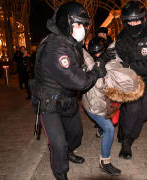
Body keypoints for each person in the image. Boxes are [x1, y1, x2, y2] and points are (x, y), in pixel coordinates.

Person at [31, 2, 107, 180]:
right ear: (66, 23)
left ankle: (68, 152)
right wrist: (95, 73)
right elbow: (78, 81)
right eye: (78, 24)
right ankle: (61, 172)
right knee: (58, 144)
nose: (83, 29)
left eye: (84, 25)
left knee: (76, 135)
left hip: (67, 99)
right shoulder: (55, 48)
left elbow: (80, 68)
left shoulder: (72, 43)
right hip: (49, 102)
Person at [83, 37, 145, 175]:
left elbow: (117, 48)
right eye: (95, 53)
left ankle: (100, 131)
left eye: (101, 53)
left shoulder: (112, 59)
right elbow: (98, 83)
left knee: (112, 119)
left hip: (108, 100)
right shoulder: (90, 65)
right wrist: (101, 65)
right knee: (110, 129)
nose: (98, 55)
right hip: (94, 104)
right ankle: (105, 162)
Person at [115, 1, 147, 159]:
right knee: (133, 110)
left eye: (136, 20)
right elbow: (119, 61)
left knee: (143, 114)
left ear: (143, 19)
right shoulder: (121, 38)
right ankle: (127, 142)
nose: (133, 24)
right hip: (131, 81)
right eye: (130, 21)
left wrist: (130, 65)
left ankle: (128, 132)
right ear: (125, 21)